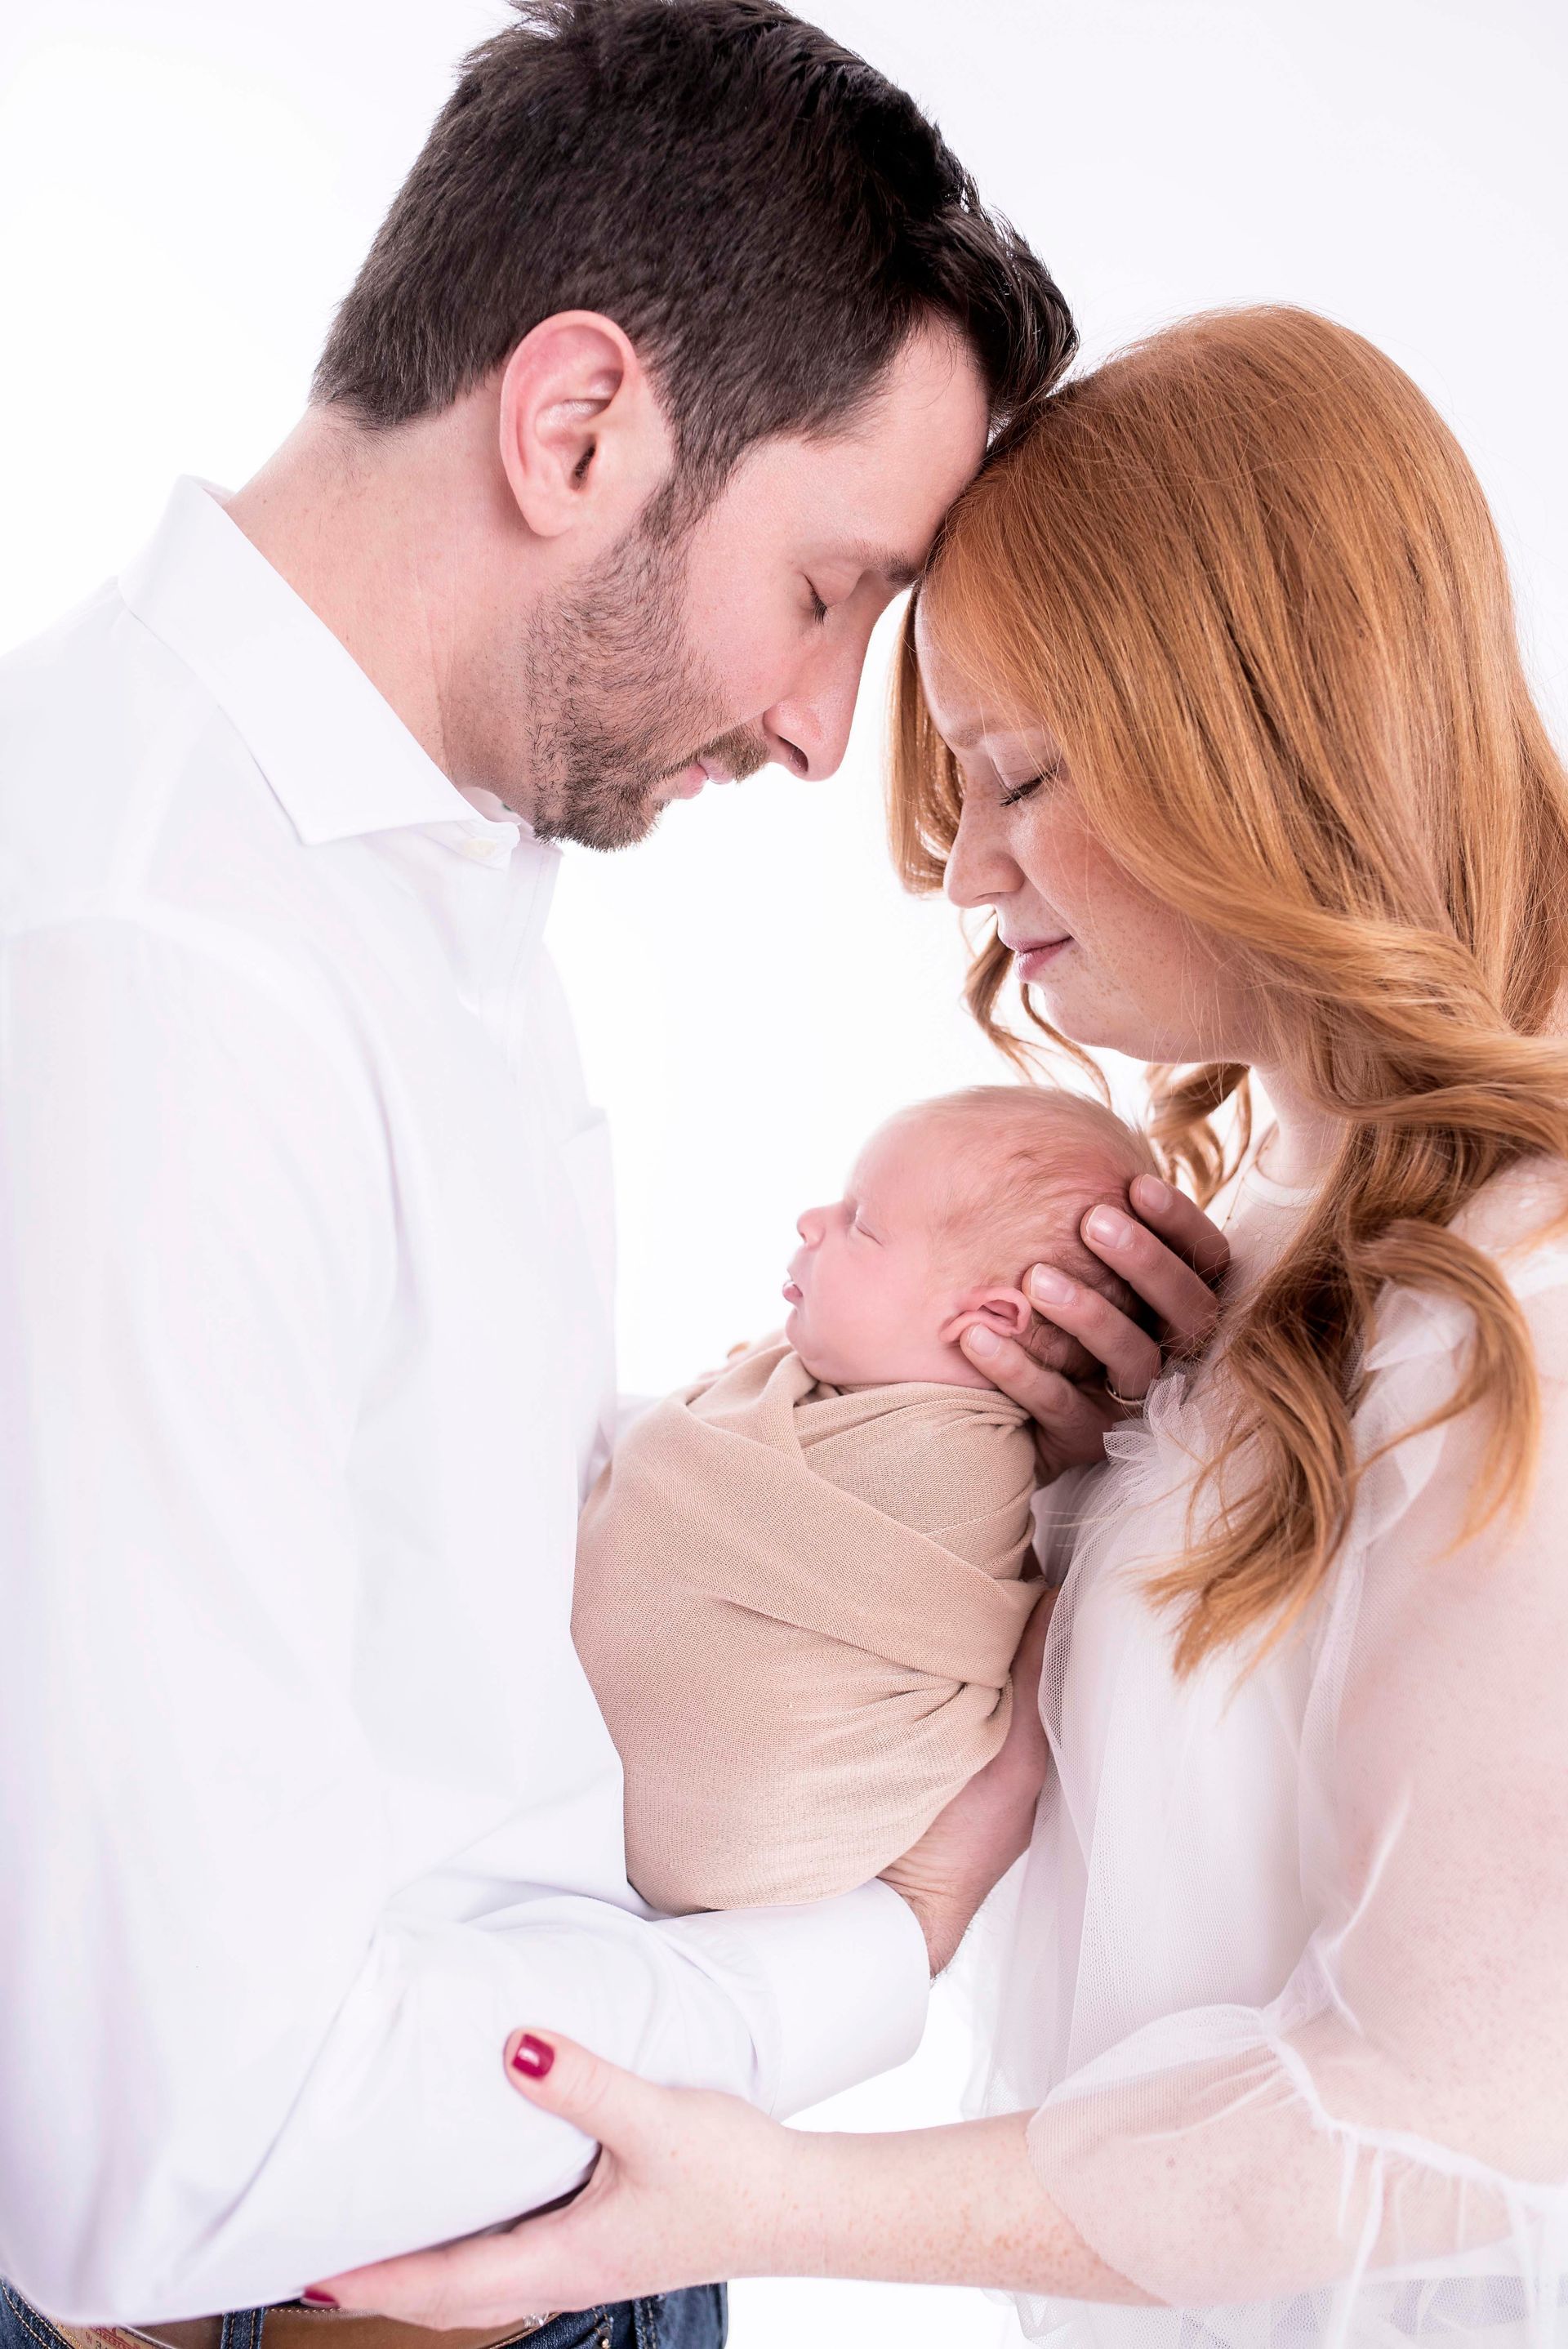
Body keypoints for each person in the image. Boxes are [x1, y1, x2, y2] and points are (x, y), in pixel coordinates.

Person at [0, 6, 1205, 2347]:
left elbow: (396, 1590)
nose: (820, 721)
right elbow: (174, 2165)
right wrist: (889, 1940)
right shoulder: (165, 976)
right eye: (839, 584)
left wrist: (902, 1448)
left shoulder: (407, 866)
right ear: (576, 429)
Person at [319, 305, 1568, 2347]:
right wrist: (1039, 1484)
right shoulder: (1241, 1255)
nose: (965, 862)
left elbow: (1451, 2113)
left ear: (1243, 731)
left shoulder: (1533, 1306)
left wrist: (775, 2194)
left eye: (1015, 775)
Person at [575, 1085, 1155, 1913]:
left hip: (750, 1829)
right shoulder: (822, 1385)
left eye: (861, 1222)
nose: (813, 1221)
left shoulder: (948, 1466)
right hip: (607, 1812)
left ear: (987, 1317)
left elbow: (686, 1493)